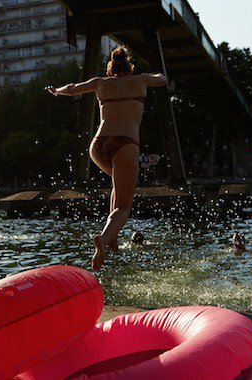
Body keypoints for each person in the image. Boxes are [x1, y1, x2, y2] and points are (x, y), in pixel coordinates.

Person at [47, 46, 167, 270]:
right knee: (124, 206)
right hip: (126, 143)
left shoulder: (100, 82)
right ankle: (103, 238)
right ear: (129, 68)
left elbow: (73, 89)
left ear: (111, 69)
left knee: (117, 184)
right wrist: (155, 72)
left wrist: (57, 91)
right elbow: (162, 79)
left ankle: (112, 237)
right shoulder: (140, 80)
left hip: (99, 144)